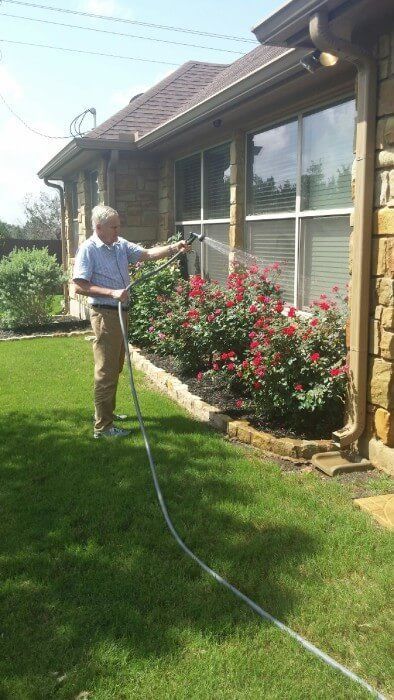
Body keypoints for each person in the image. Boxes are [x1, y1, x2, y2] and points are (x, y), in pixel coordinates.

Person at [73, 204, 189, 439]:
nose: (118, 230)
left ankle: (108, 414)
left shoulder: (118, 244)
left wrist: (172, 248)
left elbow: (145, 255)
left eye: (118, 225)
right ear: (99, 227)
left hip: (120, 313)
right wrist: (112, 293)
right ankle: (103, 428)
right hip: (106, 313)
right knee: (106, 370)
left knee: (115, 366)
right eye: (114, 226)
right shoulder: (89, 249)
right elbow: (79, 286)